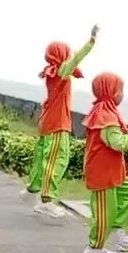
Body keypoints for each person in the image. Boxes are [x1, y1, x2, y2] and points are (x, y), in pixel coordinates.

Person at [27, 25, 98, 218]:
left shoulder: (53, 72)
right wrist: (90, 42)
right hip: (57, 123)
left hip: (50, 121)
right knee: (56, 160)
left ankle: (34, 190)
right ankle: (46, 200)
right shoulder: (60, 72)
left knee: (44, 157)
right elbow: (75, 60)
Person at [80, 72, 128, 253]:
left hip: (112, 169)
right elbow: (117, 143)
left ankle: (117, 230)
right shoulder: (105, 116)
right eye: (120, 90)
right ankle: (94, 248)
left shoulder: (105, 112)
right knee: (104, 212)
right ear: (111, 92)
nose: (122, 94)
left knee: (127, 190)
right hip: (102, 172)